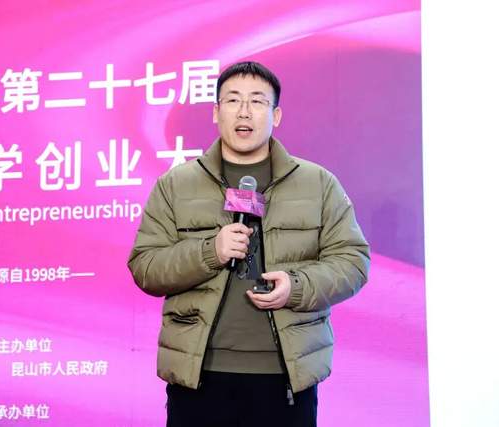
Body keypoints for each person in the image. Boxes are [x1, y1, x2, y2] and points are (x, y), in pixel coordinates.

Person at [128, 61, 370, 427]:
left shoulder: (318, 184)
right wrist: (210, 252)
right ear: (216, 112)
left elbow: (353, 262)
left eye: (257, 101)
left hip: (285, 378)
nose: (244, 112)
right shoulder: (176, 185)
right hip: (200, 377)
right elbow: (146, 267)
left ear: (276, 115)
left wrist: (297, 286)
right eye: (233, 100)